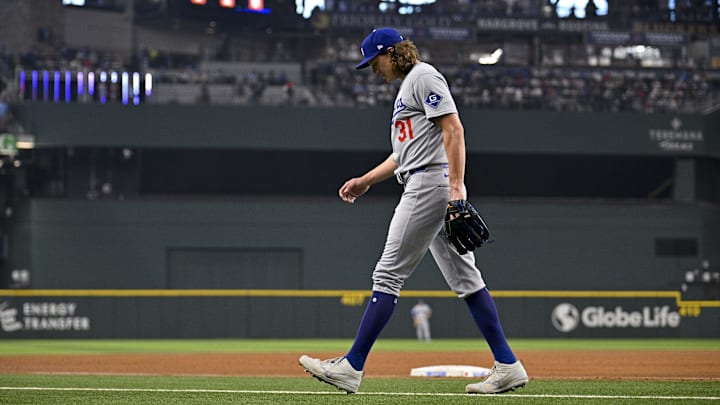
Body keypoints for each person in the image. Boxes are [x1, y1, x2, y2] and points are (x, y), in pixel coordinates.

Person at [298, 27, 528, 395]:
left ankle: (352, 365)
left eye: (375, 61)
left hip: (428, 187)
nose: (374, 69)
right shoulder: (409, 87)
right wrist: (367, 180)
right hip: (424, 179)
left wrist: (457, 191)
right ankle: (507, 364)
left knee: (387, 274)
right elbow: (404, 155)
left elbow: (454, 130)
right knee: (467, 281)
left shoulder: (423, 76)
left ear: (392, 53)